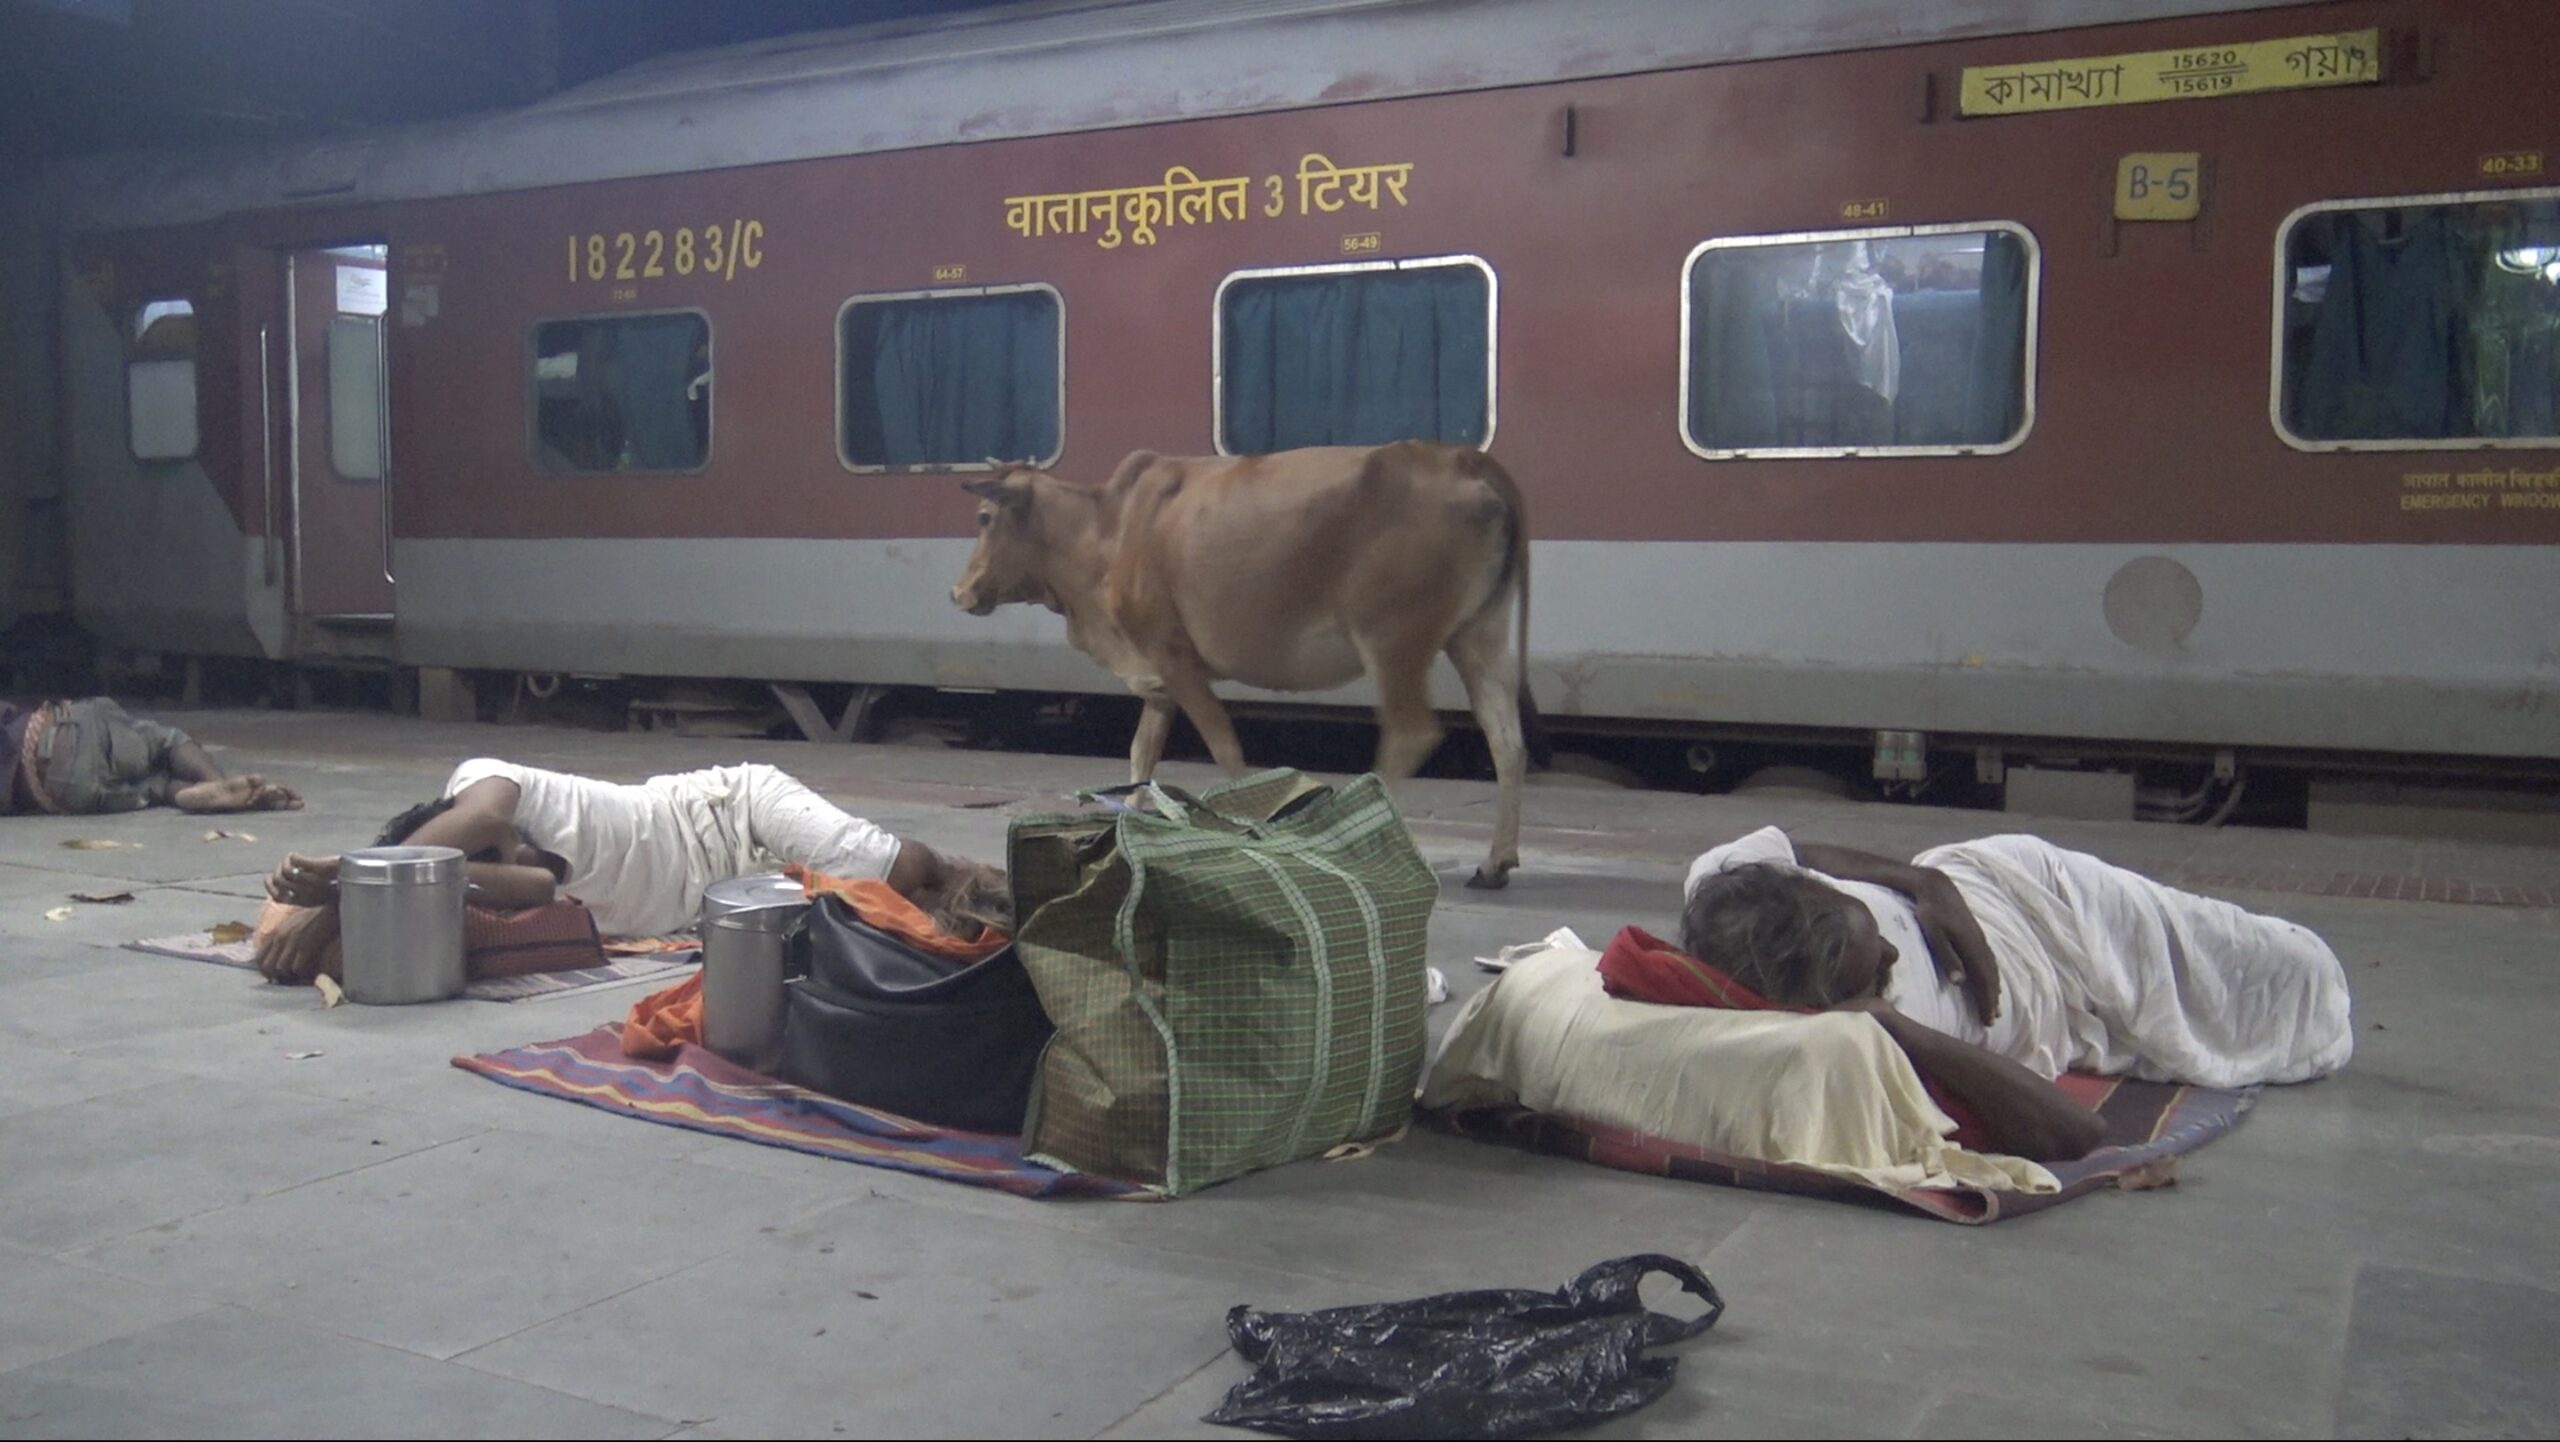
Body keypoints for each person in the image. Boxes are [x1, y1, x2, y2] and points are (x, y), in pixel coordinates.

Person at [1678, 827, 2354, 1162]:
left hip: (2029, 891)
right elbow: (2082, 1134)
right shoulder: (1860, 1047)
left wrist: (1922, 884)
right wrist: (1898, 1028)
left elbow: (1793, 845)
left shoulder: (1724, 889)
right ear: (1827, 1003)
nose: (1892, 952)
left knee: (2305, 974)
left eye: (1875, 934)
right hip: (2061, 1005)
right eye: (1875, 970)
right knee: (2283, 1016)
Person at [258, 757, 1005, 982]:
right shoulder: (508, 889)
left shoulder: (480, 781)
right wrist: (351, 902)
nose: (524, 857)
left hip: (732, 808)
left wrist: (339, 889)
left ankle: (968, 867)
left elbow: (478, 824)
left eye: (513, 846)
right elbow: (536, 885)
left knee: (894, 870)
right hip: (731, 890)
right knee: (877, 918)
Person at [2, 696, 301, 817]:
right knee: (166, 742)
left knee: (156, 787)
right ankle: (218, 784)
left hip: (66, 792)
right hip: (66, 736)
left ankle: (184, 794)